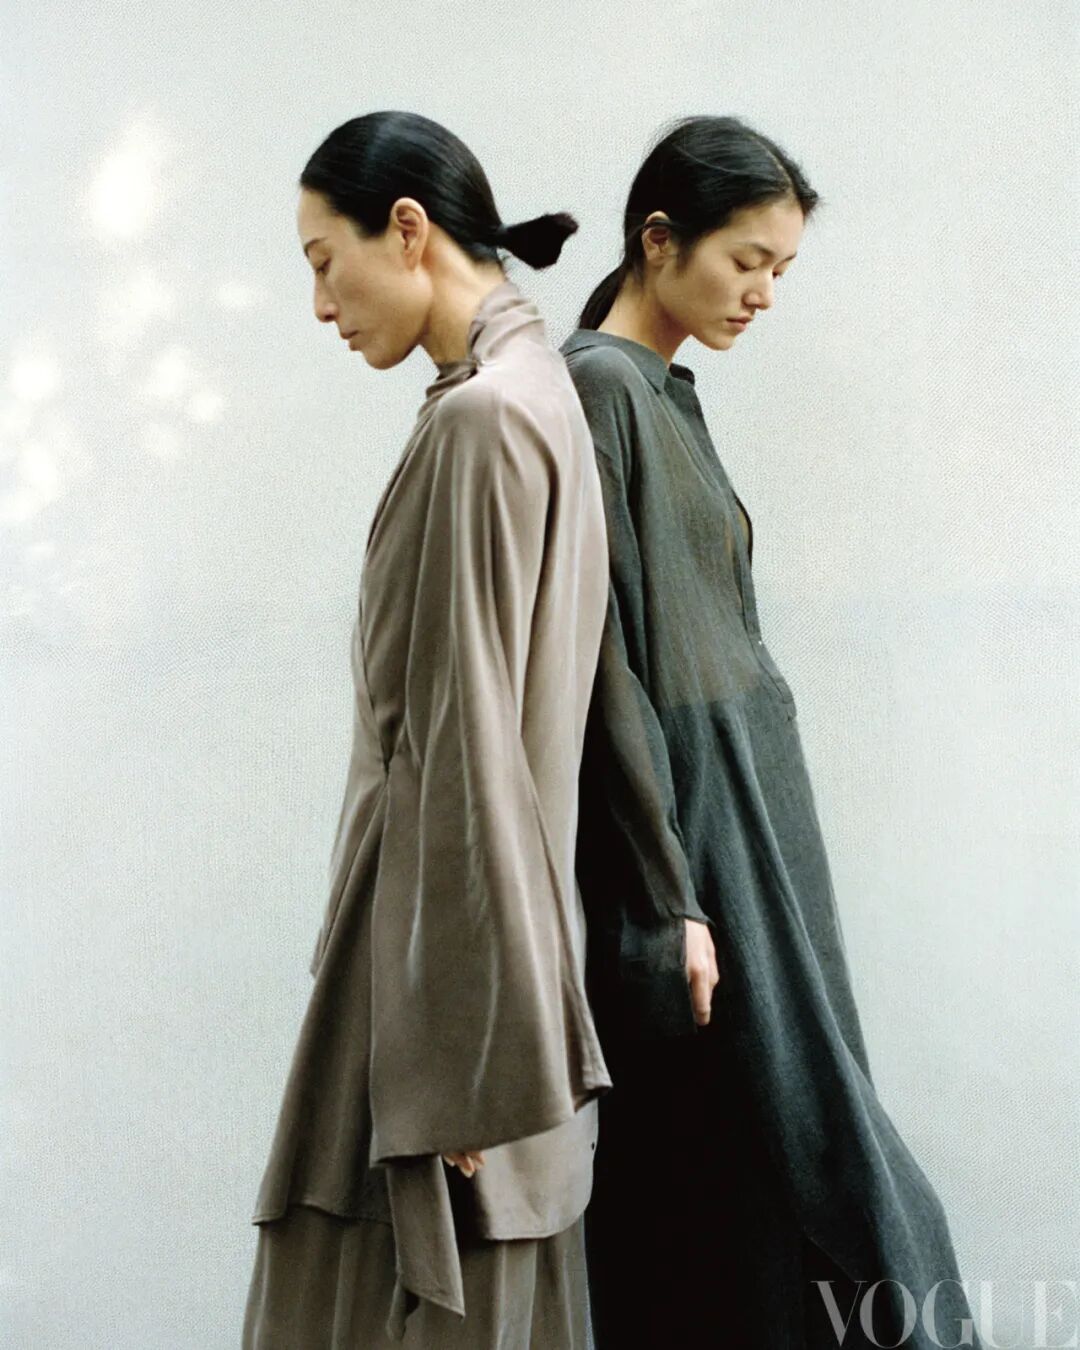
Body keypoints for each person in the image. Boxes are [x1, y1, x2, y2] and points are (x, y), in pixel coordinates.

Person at [561, 114, 982, 1349]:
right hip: (708, 829)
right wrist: (668, 897)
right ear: (659, 239)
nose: (764, 294)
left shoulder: (661, 391)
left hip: (754, 817)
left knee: (788, 1146)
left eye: (781, 270)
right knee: (741, 1160)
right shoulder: (600, 388)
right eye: (749, 260)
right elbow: (602, 663)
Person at [243, 110, 613, 1349]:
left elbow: (467, 751)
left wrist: (470, 1051)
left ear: (406, 230)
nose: (319, 304)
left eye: (322, 260)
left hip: (435, 988)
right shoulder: (535, 390)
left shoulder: (481, 420)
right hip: (480, 969)